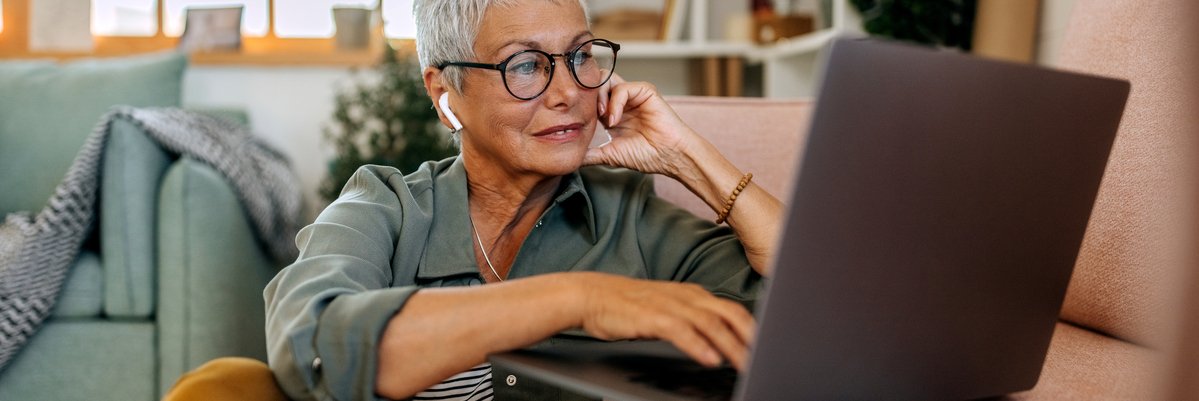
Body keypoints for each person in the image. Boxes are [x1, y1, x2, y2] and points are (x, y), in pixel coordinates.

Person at [164, 0, 784, 400]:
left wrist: (689, 159)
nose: (568, 90)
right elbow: (316, 345)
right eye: (524, 66)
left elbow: (817, 316)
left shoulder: (635, 219)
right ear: (444, 92)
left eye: (579, 56)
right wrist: (579, 299)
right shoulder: (385, 208)